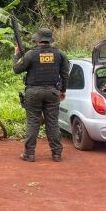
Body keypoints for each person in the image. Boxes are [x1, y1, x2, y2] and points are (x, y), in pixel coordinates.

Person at [12, 28, 70, 162]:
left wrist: (16, 55)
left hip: (33, 92)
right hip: (52, 92)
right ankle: (56, 154)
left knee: (33, 122)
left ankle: (29, 154)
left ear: (37, 40)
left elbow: (16, 69)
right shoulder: (60, 54)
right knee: (52, 123)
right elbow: (65, 74)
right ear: (50, 40)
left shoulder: (31, 54)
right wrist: (63, 91)